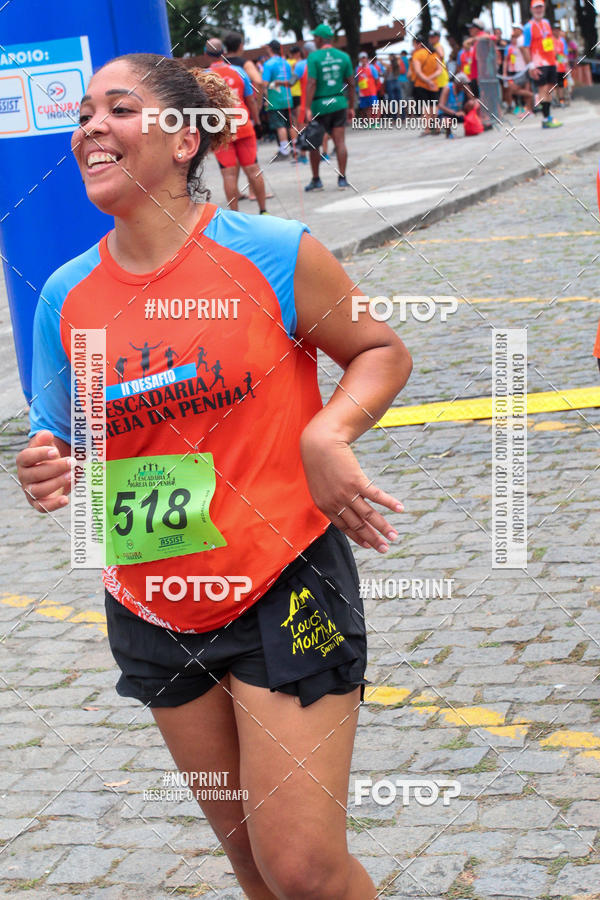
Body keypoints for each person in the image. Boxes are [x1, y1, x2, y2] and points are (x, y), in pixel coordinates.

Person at [17, 52, 413, 899]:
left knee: (302, 867)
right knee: (252, 869)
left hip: (284, 580)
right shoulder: (65, 294)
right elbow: (62, 433)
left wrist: (328, 432)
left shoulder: (273, 252)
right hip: (153, 599)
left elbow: (380, 350)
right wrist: (47, 464)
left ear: (184, 139)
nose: (91, 125)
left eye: (117, 108)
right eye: (85, 113)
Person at [205, 38, 268, 214]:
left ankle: (235, 214)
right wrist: (258, 122)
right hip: (243, 123)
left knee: (229, 174)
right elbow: (251, 101)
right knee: (253, 169)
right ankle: (263, 210)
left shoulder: (204, 77)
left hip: (220, 128)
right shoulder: (238, 71)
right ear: (223, 53)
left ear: (206, 55)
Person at [305, 23, 354, 191]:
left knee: (314, 143)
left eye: (314, 37)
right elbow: (351, 83)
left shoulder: (313, 57)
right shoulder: (343, 56)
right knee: (340, 142)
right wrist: (352, 107)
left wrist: (307, 107)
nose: (314, 40)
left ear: (319, 39)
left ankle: (316, 180)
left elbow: (312, 82)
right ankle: (342, 178)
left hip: (320, 104)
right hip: (339, 102)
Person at [521, 0, 562, 127]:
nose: (538, 10)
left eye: (540, 7)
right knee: (543, 89)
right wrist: (531, 66)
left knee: (550, 89)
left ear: (544, 8)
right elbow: (525, 47)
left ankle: (548, 116)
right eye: (536, 8)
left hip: (550, 62)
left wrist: (555, 57)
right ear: (532, 9)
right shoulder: (528, 27)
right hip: (538, 63)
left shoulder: (546, 23)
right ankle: (545, 119)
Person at [261, 39, 295, 159]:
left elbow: (264, 84)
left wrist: (265, 99)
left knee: (280, 126)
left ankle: (285, 151)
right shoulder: (286, 63)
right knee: (290, 124)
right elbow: (291, 81)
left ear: (270, 49)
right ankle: (295, 149)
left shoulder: (268, 64)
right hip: (288, 98)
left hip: (275, 99)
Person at [410, 35, 442, 135]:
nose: (413, 46)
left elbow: (418, 72)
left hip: (421, 84)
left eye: (414, 44)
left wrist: (427, 80)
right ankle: (436, 127)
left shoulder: (417, 54)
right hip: (434, 85)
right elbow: (439, 70)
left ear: (418, 44)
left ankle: (427, 129)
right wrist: (431, 80)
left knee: (424, 107)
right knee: (434, 106)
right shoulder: (434, 54)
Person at [503, 25, 534, 116]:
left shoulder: (522, 40)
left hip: (524, 70)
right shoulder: (511, 46)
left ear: (520, 30)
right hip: (518, 71)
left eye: (515, 29)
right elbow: (506, 60)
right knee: (517, 90)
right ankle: (528, 107)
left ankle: (530, 107)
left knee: (516, 89)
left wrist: (529, 67)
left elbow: (526, 55)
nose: (513, 31)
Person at [355, 51, 380, 120]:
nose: (363, 60)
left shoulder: (371, 68)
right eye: (361, 58)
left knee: (374, 107)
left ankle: (376, 121)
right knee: (366, 108)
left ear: (366, 58)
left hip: (371, 92)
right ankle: (370, 121)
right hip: (363, 93)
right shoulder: (358, 69)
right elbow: (357, 80)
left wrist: (376, 89)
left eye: (364, 58)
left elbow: (377, 79)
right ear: (359, 59)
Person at [552, 24, 569, 105]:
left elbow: (565, 54)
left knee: (561, 84)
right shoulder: (550, 40)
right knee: (554, 84)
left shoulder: (562, 40)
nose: (556, 31)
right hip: (552, 66)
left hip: (561, 66)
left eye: (558, 29)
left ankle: (561, 100)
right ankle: (554, 99)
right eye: (555, 29)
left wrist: (566, 65)